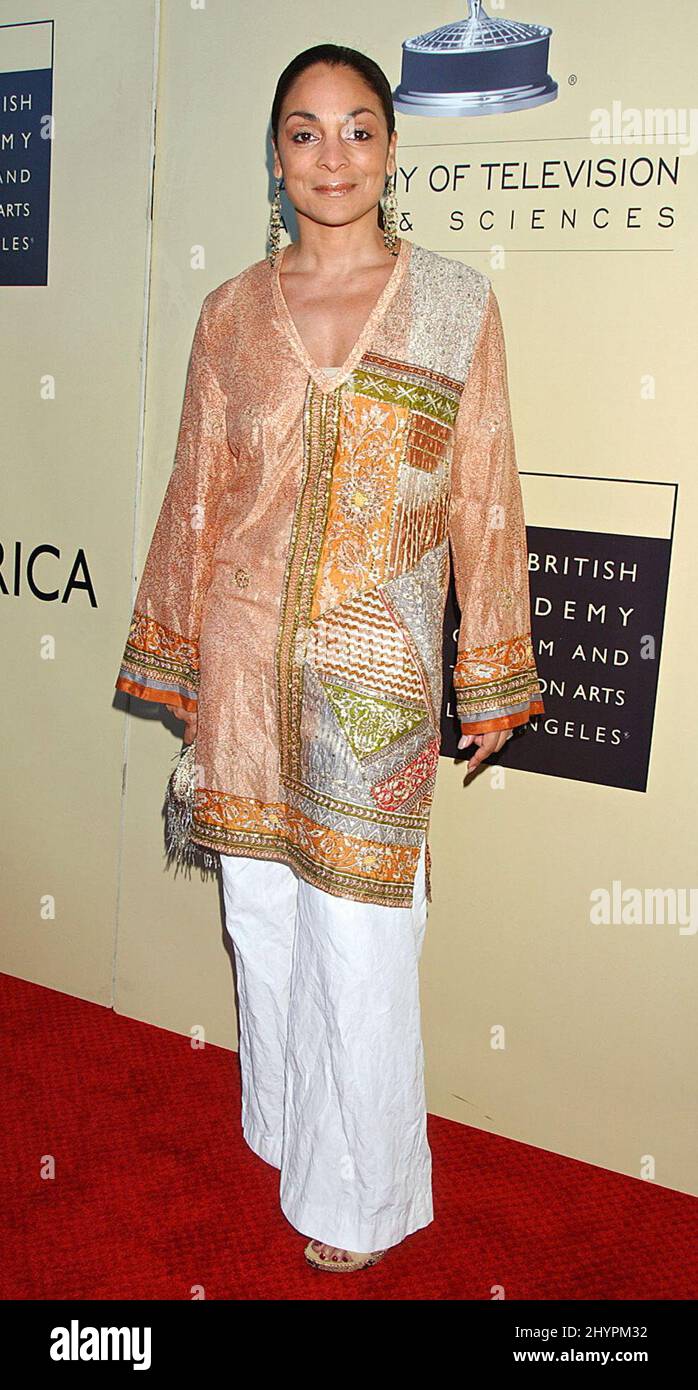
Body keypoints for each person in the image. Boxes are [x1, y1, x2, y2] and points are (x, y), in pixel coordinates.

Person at [115, 43, 544, 1274]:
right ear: (276, 156)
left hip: (376, 678)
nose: (333, 155)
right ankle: (285, 1131)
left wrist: (496, 668)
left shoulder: (456, 304)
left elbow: (485, 495)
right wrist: (177, 660)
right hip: (246, 662)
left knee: (360, 941)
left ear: (392, 148)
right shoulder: (228, 315)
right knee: (262, 920)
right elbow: (195, 496)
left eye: (358, 128)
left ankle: (354, 1200)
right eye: (304, 132)